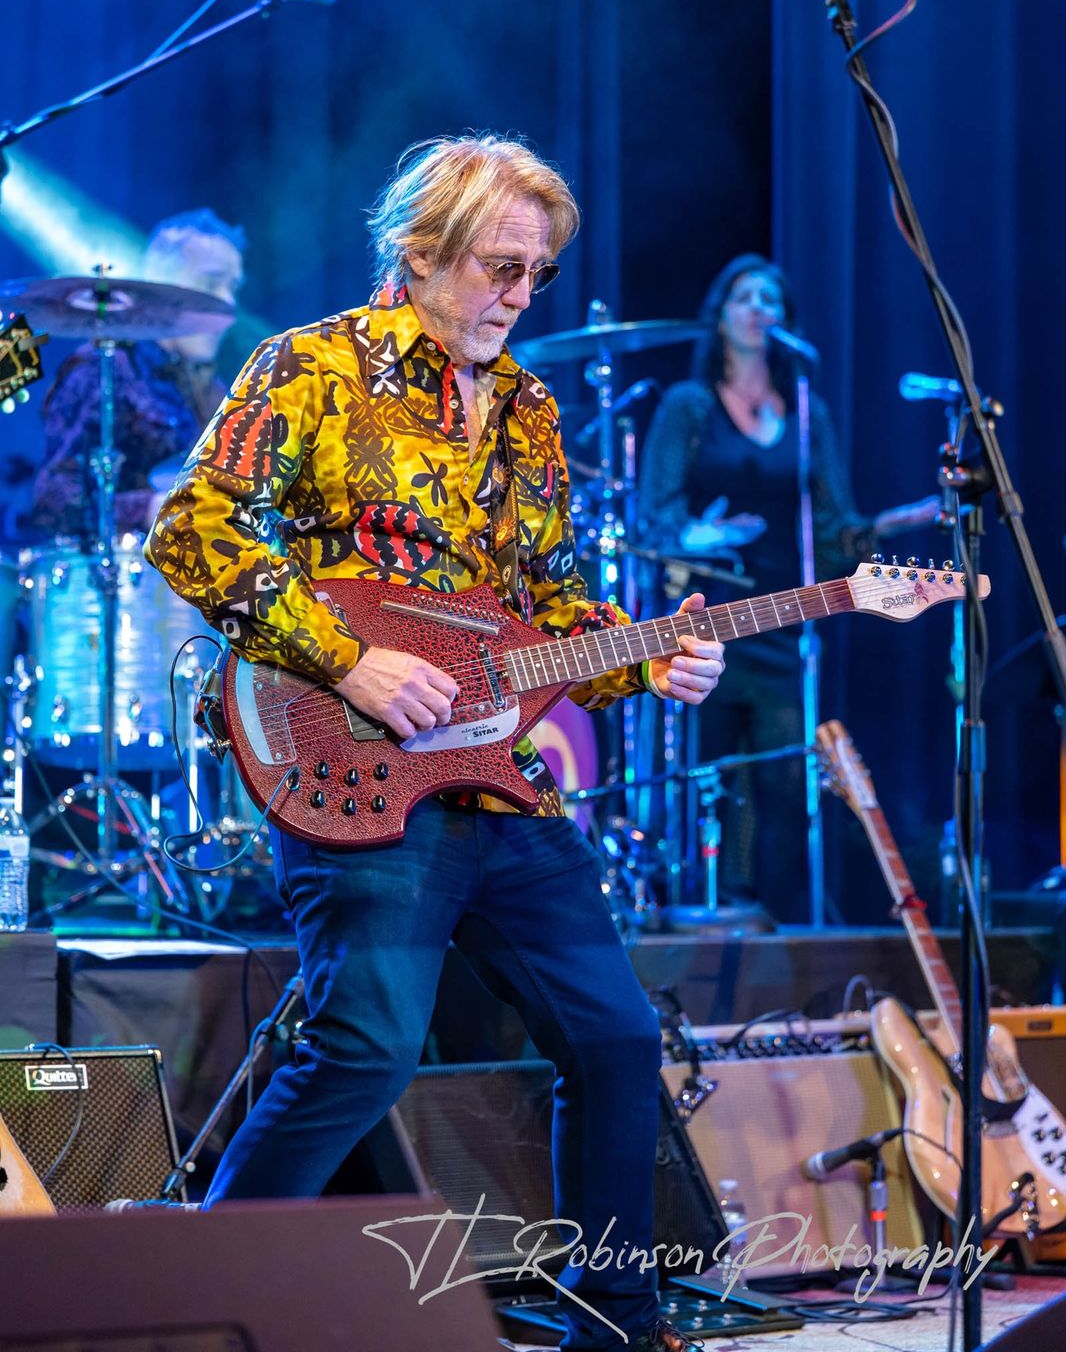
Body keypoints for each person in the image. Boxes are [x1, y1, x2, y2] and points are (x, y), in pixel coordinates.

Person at [146, 135, 725, 1352]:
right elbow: (192, 525)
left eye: (537, 272)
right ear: (417, 252)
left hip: (497, 779)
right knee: (363, 1048)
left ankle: (615, 1328)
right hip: (352, 759)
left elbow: (550, 610)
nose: (519, 293)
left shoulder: (528, 409)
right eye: (498, 265)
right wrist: (347, 656)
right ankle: (190, 1308)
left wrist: (652, 656)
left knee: (617, 1038)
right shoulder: (310, 368)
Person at [638, 253, 937, 922]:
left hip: (784, 619)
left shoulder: (806, 411)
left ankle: (782, 925)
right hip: (706, 620)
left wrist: (898, 522)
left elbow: (833, 531)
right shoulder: (689, 406)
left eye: (770, 300)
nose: (758, 310)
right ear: (720, 315)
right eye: (745, 297)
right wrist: (702, 535)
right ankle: (712, 912)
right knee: (714, 775)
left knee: (782, 782)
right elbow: (653, 516)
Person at [31, 209, 247, 538]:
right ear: (160, 283)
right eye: (210, 283)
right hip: (115, 566)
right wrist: (148, 509)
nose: (227, 302)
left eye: (233, 288)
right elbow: (53, 500)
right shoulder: (107, 368)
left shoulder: (214, 392)